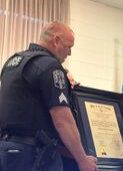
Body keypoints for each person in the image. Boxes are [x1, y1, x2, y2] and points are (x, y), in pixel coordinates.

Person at [0, 21, 97, 171]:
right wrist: (82, 160)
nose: (69, 53)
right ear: (56, 41)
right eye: (69, 47)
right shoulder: (51, 67)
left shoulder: (13, 62)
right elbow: (63, 120)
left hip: (8, 151)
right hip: (35, 157)